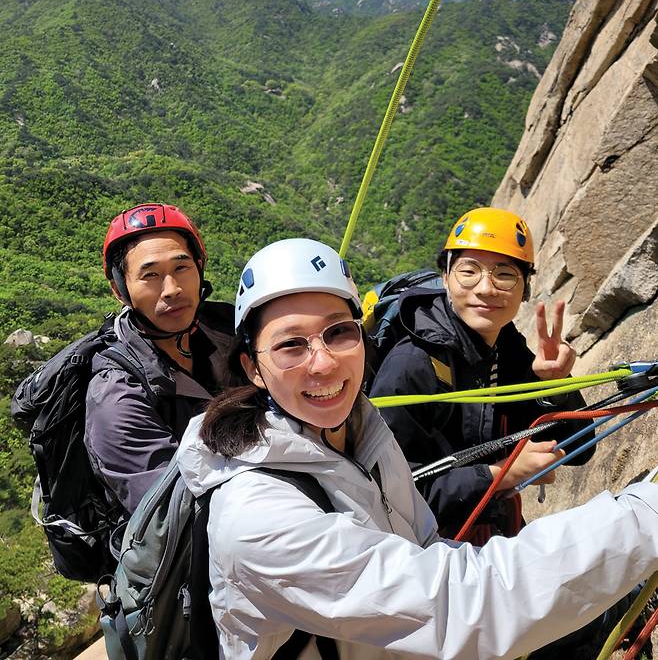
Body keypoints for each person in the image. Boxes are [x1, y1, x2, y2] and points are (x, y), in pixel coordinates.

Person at [176, 237, 658, 659]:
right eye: (291, 346)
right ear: (253, 367)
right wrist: (643, 517)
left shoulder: (362, 434)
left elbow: (423, 545)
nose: (323, 363)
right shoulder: (257, 517)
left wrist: (555, 384)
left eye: (339, 332)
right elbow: (459, 605)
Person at [368, 207, 594, 541]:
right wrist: (500, 475)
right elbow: (387, 499)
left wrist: (555, 385)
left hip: (489, 529)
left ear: (526, 287)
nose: (486, 288)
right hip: (430, 553)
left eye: (504, 275)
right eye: (468, 271)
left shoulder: (505, 348)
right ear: (445, 277)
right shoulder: (412, 364)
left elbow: (580, 448)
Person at [85, 202, 234, 516]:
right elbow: (170, 516)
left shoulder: (229, 327)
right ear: (119, 289)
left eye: (181, 267)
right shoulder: (117, 397)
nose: (172, 289)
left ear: (199, 267)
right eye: (150, 276)